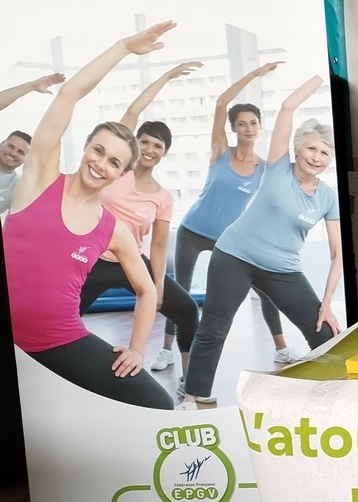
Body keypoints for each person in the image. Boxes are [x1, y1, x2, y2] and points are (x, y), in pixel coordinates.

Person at [0, 24, 175, 409]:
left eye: (114, 162)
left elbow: (147, 291)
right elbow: (69, 94)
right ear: (85, 147)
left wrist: (137, 350)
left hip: (60, 340)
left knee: (158, 405)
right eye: (98, 151)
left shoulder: (112, 229)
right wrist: (123, 47)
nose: (100, 164)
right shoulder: (40, 178)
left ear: (123, 172)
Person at [184, 77, 342, 406]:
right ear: (298, 148)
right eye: (311, 148)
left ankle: (333, 395)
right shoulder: (278, 168)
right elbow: (287, 107)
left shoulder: (328, 198)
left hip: (283, 269)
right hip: (234, 256)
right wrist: (318, 78)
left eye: (325, 153)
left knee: (324, 332)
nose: (316, 157)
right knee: (214, 326)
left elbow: (337, 254)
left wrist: (326, 303)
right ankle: (194, 396)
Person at [161, 62, 298, 370]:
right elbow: (222, 104)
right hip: (192, 232)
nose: (247, 128)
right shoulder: (220, 151)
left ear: (259, 127)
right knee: (179, 291)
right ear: (234, 127)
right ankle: (167, 349)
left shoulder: (264, 168)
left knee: (264, 287)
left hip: (229, 239)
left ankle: (281, 347)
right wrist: (252, 74)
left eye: (253, 123)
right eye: (241, 123)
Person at [77, 64, 206, 386]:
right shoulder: (117, 170)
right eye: (145, 142)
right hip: (92, 260)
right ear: (136, 144)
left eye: (158, 146)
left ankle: (190, 381)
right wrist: (166, 76)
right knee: (61, 314)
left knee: (188, 310)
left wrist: (158, 286)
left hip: (131, 262)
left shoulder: (163, 197)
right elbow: (134, 110)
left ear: (164, 154)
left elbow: (160, 245)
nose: (150, 149)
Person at [0, 73, 65, 212]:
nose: (13, 153)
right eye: (11, 146)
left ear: (26, 159)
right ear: (1, 144)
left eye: (21, 152)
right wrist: (31, 86)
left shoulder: (18, 187)